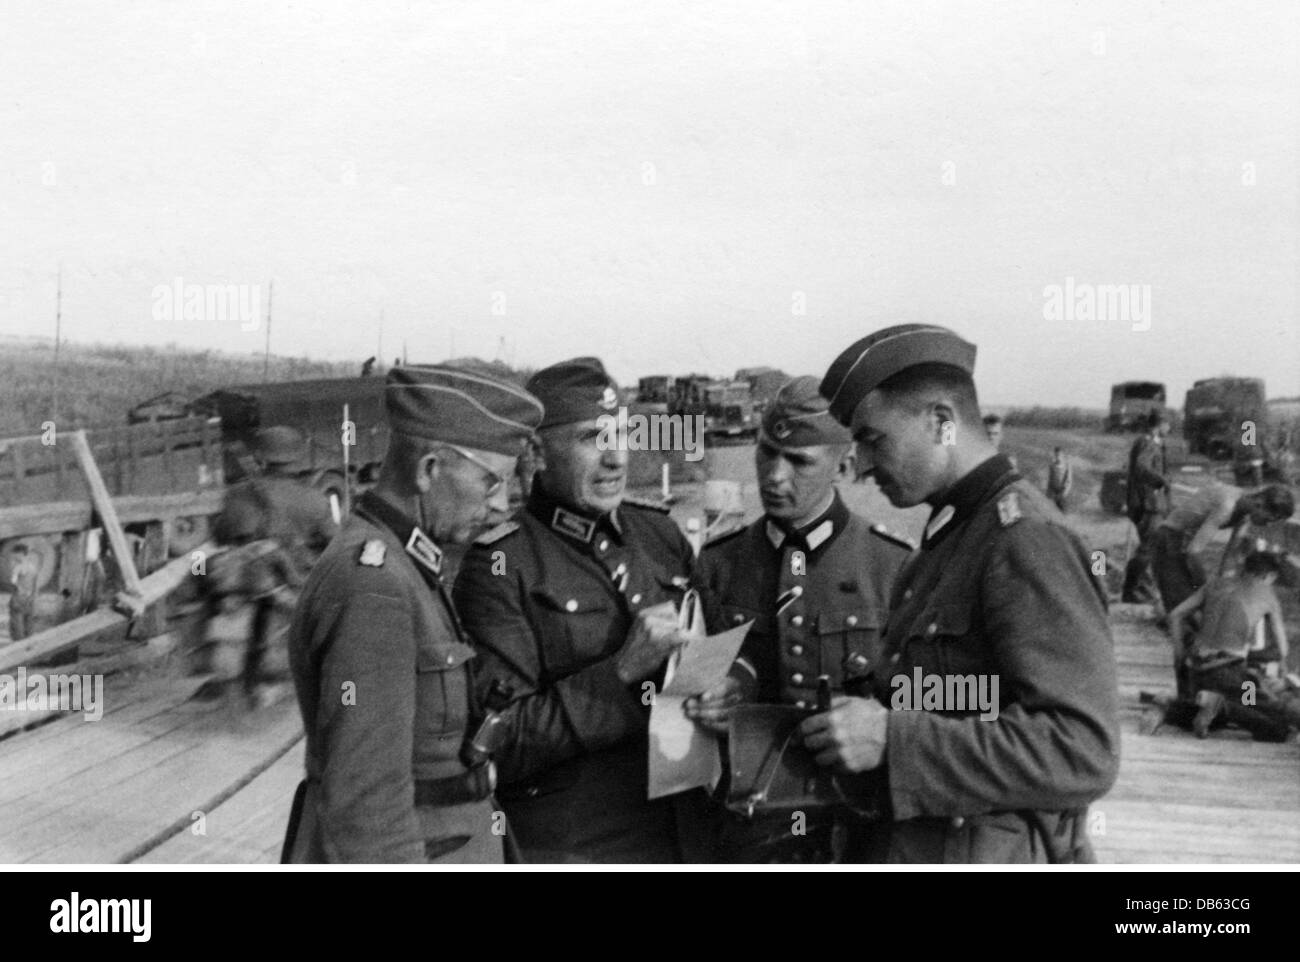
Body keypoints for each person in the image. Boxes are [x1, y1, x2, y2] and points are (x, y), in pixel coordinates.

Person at [802, 323, 1119, 863]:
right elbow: (960, 698)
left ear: (942, 423)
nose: (863, 467)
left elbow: (1082, 749)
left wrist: (893, 740)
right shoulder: (954, 536)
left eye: (874, 440)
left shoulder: (1024, 539)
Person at [281, 365, 543, 863]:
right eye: (491, 483)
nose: (500, 506)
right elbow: (367, 807)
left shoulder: (408, 564)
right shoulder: (373, 584)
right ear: (429, 469)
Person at [453, 357, 700, 863]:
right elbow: (495, 742)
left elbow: (711, 648)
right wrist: (621, 672)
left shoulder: (659, 534)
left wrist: (725, 690)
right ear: (536, 453)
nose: (615, 460)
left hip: (684, 824)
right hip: (578, 843)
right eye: (592, 439)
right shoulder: (500, 565)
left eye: (622, 434)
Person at [686, 376, 912, 862]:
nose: (774, 476)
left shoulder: (894, 566)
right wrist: (725, 688)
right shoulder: (719, 563)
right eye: (766, 453)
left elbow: (923, 694)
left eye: (799, 461)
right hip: (751, 824)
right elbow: (703, 674)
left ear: (843, 466)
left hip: (858, 821)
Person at [215, 426, 339, 702]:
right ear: (297, 457)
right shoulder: (315, 500)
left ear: (260, 457)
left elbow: (220, 534)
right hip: (290, 582)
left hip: (243, 580)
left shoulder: (236, 494)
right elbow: (335, 545)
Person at [1169, 550, 1300, 741]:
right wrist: (1284, 676)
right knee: (1276, 726)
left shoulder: (1214, 584)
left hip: (1194, 669)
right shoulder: (1267, 594)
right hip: (1231, 672)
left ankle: (1181, 707)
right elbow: (1282, 648)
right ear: (1269, 576)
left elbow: (1175, 615)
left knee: (1230, 715)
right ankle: (1221, 705)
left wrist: (1179, 655)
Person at [1152, 481, 1294, 625]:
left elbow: (1230, 556)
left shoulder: (1245, 514)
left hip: (1185, 544)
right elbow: (1194, 551)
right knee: (1186, 609)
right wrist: (1204, 584)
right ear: (1260, 503)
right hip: (1168, 538)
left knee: (1206, 606)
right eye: (1268, 519)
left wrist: (1224, 586)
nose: (1268, 525)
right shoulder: (1227, 506)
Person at [1122, 411, 1172, 603]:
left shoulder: (1151, 442)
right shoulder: (1147, 442)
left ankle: (1141, 589)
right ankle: (1130, 590)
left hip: (1150, 503)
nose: (1169, 428)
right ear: (1160, 424)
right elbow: (1141, 467)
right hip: (1148, 504)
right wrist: (1162, 480)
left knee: (1151, 548)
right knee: (1149, 548)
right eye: (1167, 424)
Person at [7, 544, 40, 641]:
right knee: (28, 624)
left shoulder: (18, 567)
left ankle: (18, 644)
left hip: (19, 598)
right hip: (30, 598)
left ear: (20, 555)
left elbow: (13, 581)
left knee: (16, 625)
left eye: (15, 556)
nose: (14, 559)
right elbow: (35, 585)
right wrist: (33, 597)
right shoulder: (33, 568)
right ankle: (28, 643)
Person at [1046, 446, 1073, 512]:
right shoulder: (1052, 466)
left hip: (1062, 493)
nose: (1058, 457)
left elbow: (1068, 481)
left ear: (1062, 455)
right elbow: (1050, 480)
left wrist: (1063, 493)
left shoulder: (1067, 466)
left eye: (1059, 455)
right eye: (1056, 455)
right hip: (1054, 492)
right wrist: (1049, 492)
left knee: (1063, 511)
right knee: (1051, 511)